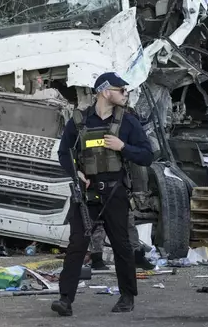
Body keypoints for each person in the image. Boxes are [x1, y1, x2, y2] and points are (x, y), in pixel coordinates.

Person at [51, 72, 154, 316]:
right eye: (122, 90)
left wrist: (123, 147)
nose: (125, 94)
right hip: (87, 194)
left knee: (122, 245)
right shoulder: (79, 122)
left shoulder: (128, 122)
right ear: (106, 91)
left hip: (115, 191)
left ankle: (127, 297)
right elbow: (64, 153)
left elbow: (147, 155)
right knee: (77, 244)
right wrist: (77, 173)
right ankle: (65, 300)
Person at [88, 211, 154, 270]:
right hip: (99, 201)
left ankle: (137, 256)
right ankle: (97, 259)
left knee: (128, 221)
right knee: (98, 223)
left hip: (119, 199)